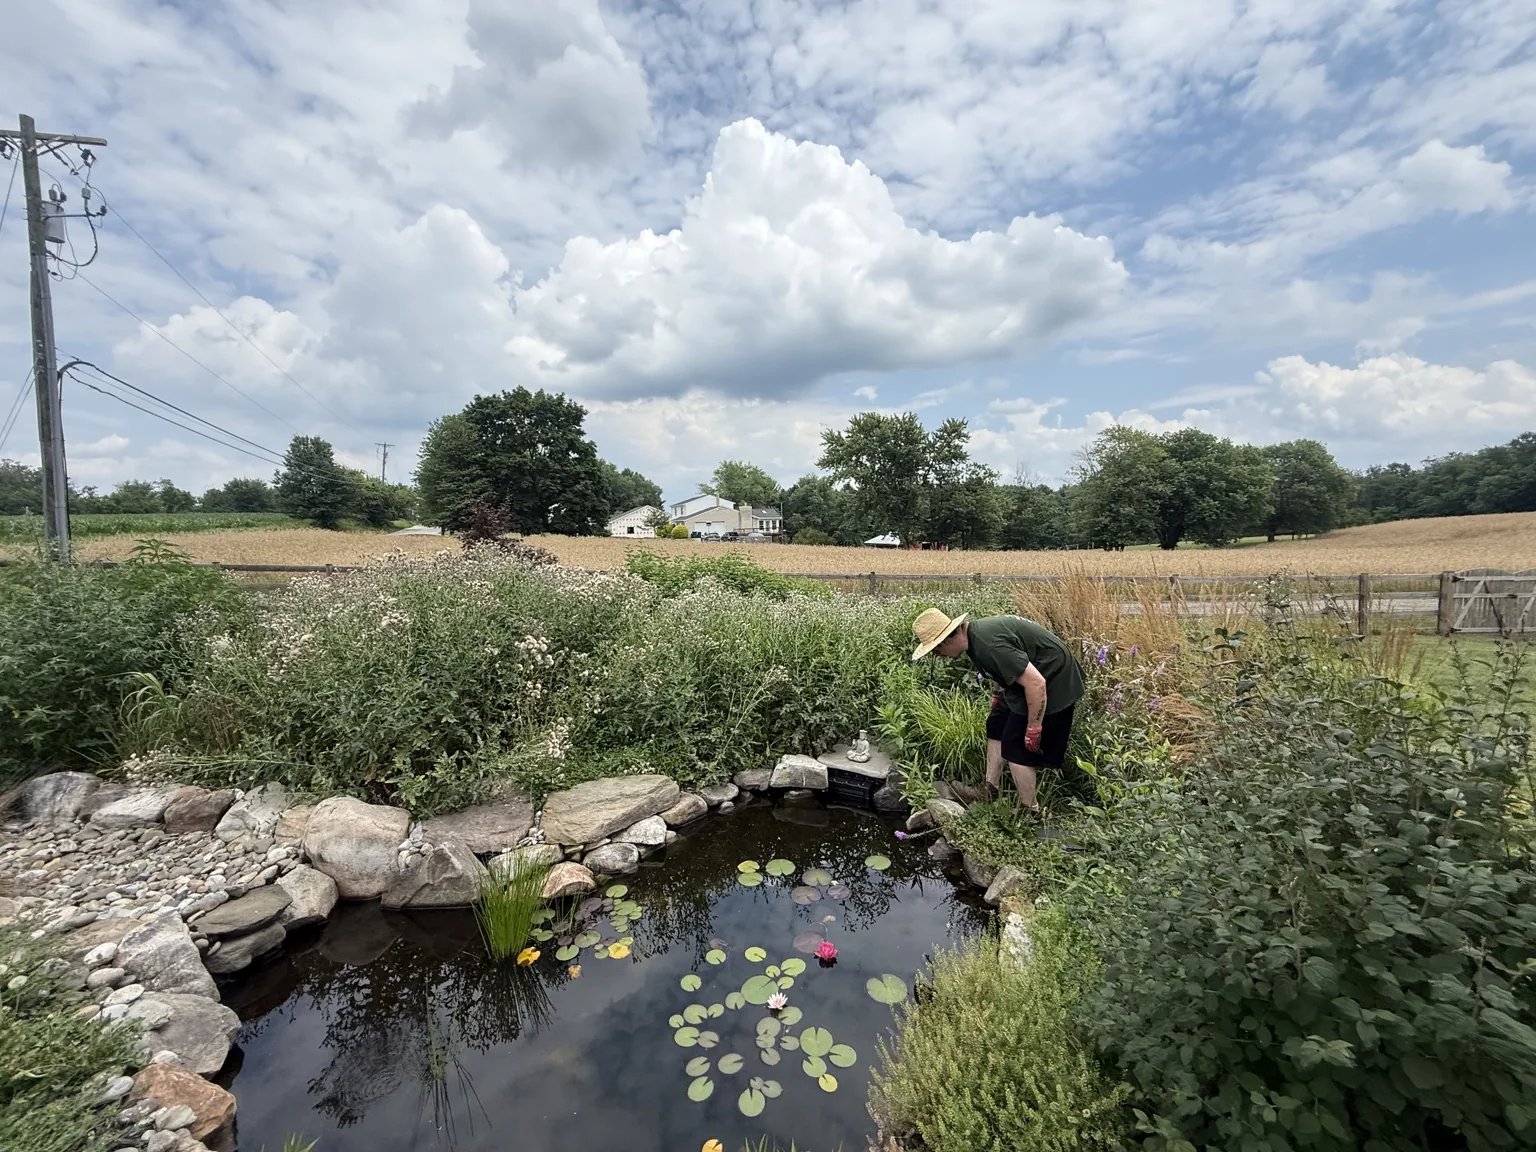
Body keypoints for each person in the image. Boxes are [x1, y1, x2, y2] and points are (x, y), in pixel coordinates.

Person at [910, 608, 1084, 813]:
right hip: (1031, 677)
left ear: (945, 641)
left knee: (1016, 748)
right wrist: (997, 695)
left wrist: (1034, 727)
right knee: (996, 723)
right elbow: (1001, 667)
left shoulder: (989, 645)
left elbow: (1036, 683)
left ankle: (1031, 811)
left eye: (936, 651)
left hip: (1054, 680)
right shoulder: (975, 637)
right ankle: (989, 789)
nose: (940, 656)